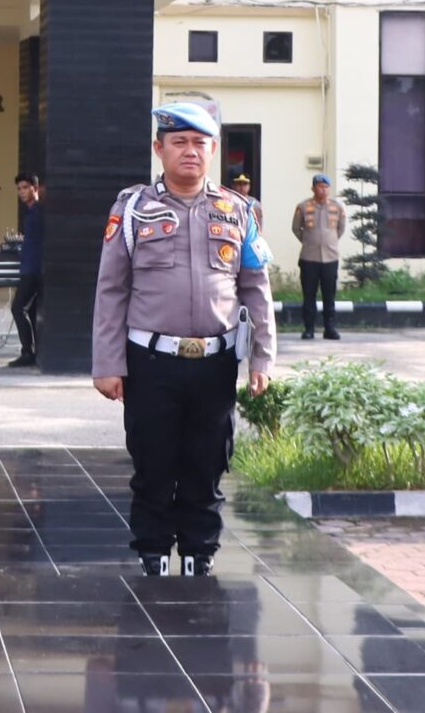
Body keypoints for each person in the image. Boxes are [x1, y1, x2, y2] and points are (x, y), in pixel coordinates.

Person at [92, 103, 276, 578]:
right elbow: (111, 289)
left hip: (215, 362)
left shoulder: (238, 211)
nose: (190, 152)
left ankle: (200, 551)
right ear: (159, 149)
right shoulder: (133, 208)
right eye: (179, 142)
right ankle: (151, 553)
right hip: (151, 360)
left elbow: (256, 288)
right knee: (153, 461)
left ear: (213, 150)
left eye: (200, 143)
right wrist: (107, 362)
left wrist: (263, 357)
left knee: (207, 461)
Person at [293, 172, 346, 341]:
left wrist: (329, 241)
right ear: (313, 188)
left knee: (329, 295)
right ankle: (309, 329)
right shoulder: (303, 206)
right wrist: (309, 241)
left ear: (329, 189)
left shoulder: (337, 207)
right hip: (309, 258)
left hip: (330, 258)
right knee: (309, 295)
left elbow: (340, 229)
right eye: (319, 186)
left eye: (325, 187)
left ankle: (329, 328)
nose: (322, 189)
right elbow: (296, 228)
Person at [7, 172, 44, 368]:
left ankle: (27, 352)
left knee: (17, 308)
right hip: (30, 266)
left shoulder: (39, 212)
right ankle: (34, 353)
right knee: (30, 310)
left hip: (34, 269)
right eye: (19, 188)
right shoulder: (30, 212)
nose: (21, 192)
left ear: (35, 188)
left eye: (25, 188)